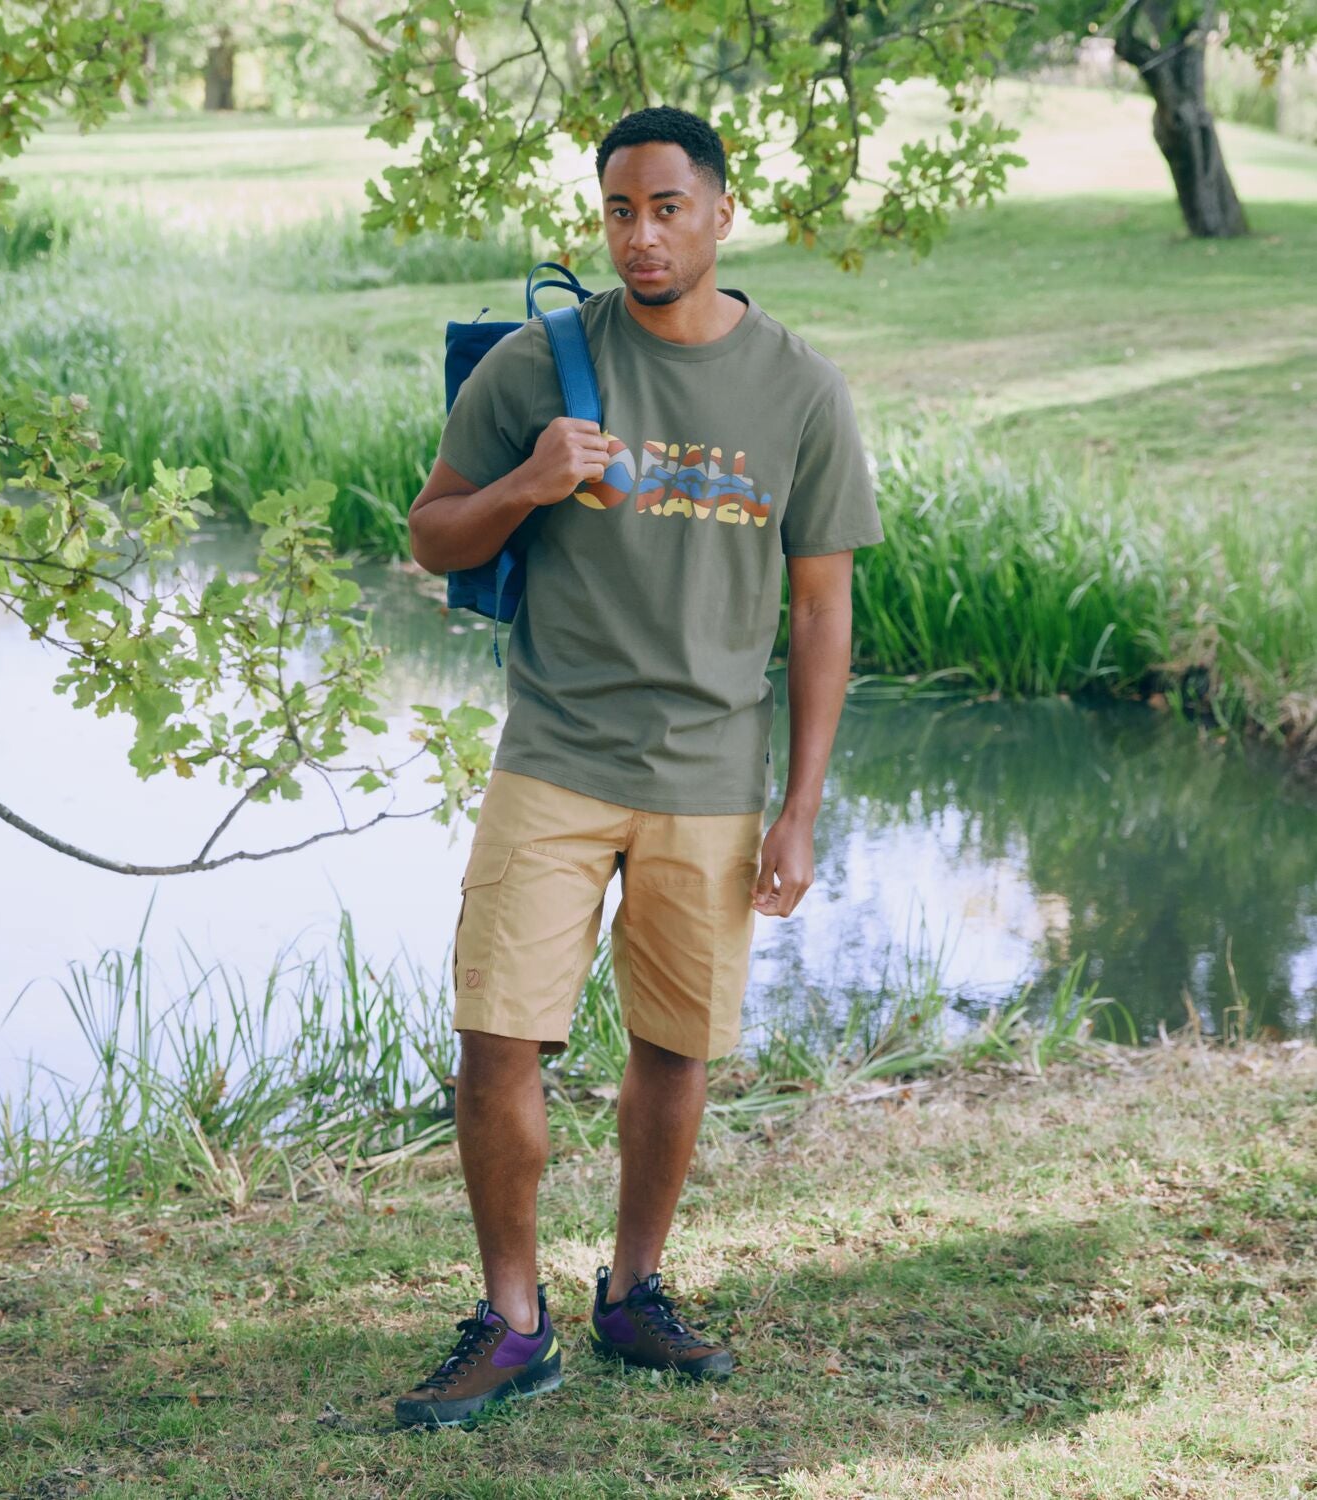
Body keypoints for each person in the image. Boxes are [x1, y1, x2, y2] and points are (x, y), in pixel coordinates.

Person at [397, 104, 885, 1429]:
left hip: (713, 776)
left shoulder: (800, 389)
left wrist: (800, 807)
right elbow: (433, 536)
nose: (643, 235)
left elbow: (823, 611)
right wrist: (531, 482)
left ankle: (632, 1292)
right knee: (499, 1034)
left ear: (723, 214)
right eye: (620, 210)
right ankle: (512, 1325)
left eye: (668, 207)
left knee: (672, 1050)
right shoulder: (536, 365)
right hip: (554, 752)